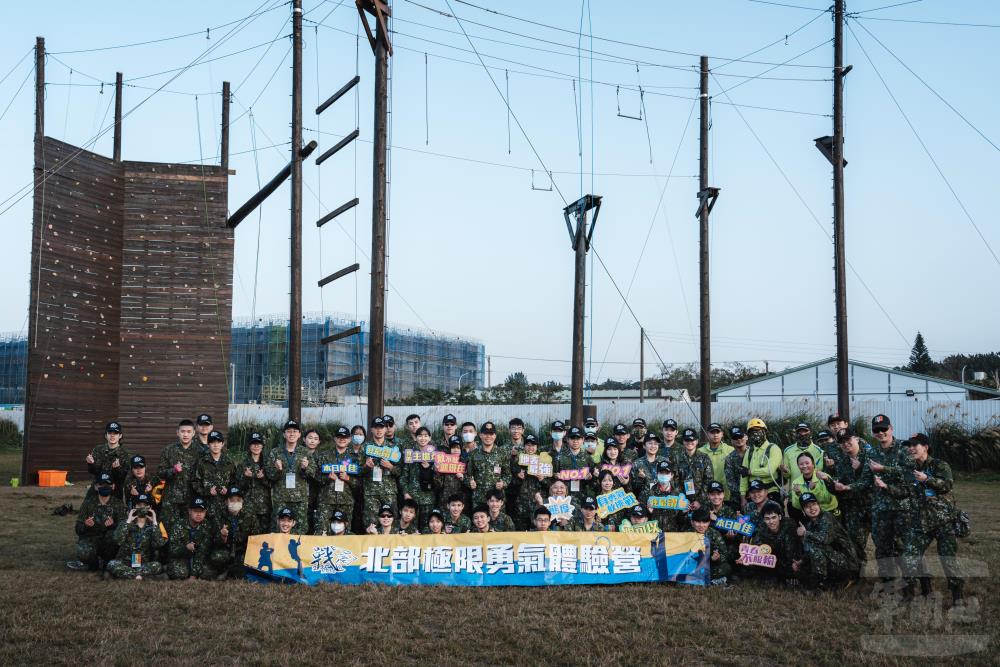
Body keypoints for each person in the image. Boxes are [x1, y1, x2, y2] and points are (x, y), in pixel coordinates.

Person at [901, 433, 964, 603]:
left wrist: (927, 479)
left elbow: (947, 485)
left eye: (916, 445)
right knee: (909, 556)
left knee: (948, 560)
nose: (911, 448)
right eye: (910, 445)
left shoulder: (939, 465)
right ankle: (913, 591)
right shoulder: (910, 468)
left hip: (943, 521)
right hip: (921, 522)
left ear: (926, 447)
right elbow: (907, 491)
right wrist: (886, 487)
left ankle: (958, 597)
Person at [865, 414, 915, 586]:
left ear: (891, 429)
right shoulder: (872, 452)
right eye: (876, 430)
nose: (881, 433)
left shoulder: (904, 448)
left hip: (902, 507)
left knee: (904, 547)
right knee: (882, 547)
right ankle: (887, 582)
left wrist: (884, 469)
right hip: (881, 508)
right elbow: (867, 477)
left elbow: (910, 473)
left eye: (884, 429)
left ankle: (909, 583)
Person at [794, 492, 860, 590]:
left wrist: (806, 534)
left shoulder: (827, 517)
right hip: (832, 557)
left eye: (814, 504)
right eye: (807, 507)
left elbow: (825, 539)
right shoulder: (809, 524)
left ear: (819, 505)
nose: (812, 508)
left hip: (846, 561)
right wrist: (801, 561)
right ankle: (829, 581)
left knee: (816, 549)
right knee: (802, 568)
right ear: (803, 511)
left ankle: (820, 583)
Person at [830, 428, 873, 566]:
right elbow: (840, 481)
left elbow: (869, 481)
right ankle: (859, 573)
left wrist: (860, 468)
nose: (845, 444)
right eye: (842, 442)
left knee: (887, 542)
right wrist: (831, 482)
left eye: (848, 440)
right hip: (854, 508)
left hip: (874, 505)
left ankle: (897, 576)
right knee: (855, 542)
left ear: (857, 439)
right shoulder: (842, 461)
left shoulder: (870, 455)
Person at [70, 473, 126, 572]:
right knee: (82, 551)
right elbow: (78, 529)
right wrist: (86, 525)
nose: (105, 487)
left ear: (113, 486)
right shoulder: (88, 504)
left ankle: (108, 562)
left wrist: (113, 525)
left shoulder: (119, 504)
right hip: (92, 539)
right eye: (101, 485)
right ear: (96, 487)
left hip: (109, 542)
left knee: (116, 539)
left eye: (107, 485)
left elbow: (124, 527)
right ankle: (94, 564)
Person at [265, 420, 315, 531]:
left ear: (299, 434)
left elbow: (312, 474)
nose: (291, 434)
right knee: (278, 528)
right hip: (281, 498)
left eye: (295, 431)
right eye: (288, 431)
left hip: (300, 499)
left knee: (301, 528)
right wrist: (277, 470)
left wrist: (305, 468)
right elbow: (269, 475)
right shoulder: (275, 452)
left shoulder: (305, 452)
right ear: (284, 434)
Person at [313, 426, 361, 536]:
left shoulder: (355, 458)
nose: (342, 439)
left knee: (345, 533)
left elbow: (361, 483)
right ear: (335, 439)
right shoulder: (323, 456)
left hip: (346, 501)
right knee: (322, 532)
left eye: (345, 437)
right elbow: (315, 477)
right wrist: (327, 478)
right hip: (326, 501)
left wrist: (348, 478)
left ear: (349, 439)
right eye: (339, 437)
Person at [106, 494, 165, 580]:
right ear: (134, 507)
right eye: (139, 505)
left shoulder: (154, 525)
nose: (142, 508)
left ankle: (128, 575)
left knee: (158, 566)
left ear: (150, 507)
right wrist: (128, 522)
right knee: (112, 564)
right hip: (126, 562)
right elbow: (117, 541)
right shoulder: (125, 523)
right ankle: (139, 576)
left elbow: (159, 544)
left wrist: (155, 522)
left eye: (145, 505)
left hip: (144, 563)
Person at [156, 419, 201, 530]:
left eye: (189, 431)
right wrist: (173, 470)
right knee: (167, 530)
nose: (185, 434)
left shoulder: (200, 452)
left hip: (191, 499)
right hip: (171, 499)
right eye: (183, 431)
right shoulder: (168, 450)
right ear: (177, 432)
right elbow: (160, 473)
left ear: (194, 433)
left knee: (189, 529)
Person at [360, 416, 401, 527]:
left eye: (381, 427)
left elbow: (401, 471)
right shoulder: (364, 447)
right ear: (371, 429)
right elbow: (358, 471)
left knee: (392, 523)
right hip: (371, 492)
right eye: (376, 427)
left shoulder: (394, 448)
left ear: (385, 429)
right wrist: (366, 466)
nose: (379, 430)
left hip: (389, 492)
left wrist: (391, 467)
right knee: (371, 524)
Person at [747, 501, 800, 586]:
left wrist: (793, 570)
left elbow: (793, 549)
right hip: (774, 559)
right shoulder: (762, 529)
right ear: (764, 520)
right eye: (767, 518)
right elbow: (757, 549)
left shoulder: (789, 524)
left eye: (773, 517)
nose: (771, 522)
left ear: (779, 517)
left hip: (791, 559)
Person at [210, 486, 258, 579]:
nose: (235, 502)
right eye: (232, 500)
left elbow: (255, 538)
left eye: (238, 500)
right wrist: (223, 537)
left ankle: (232, 571)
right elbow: (214, 541)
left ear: (242, 502)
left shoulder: (250, 517)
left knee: (245, 568)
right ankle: (226, 569)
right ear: (226, 502)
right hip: (226, 551)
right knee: (216, 557)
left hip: (242, 552)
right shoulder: (219, 516)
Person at [166, 497, 217, 580]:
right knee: (179, 572)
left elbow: (203, 551)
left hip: (199, 559)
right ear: (189, 511)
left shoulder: (206, 526)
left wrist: (193, 575)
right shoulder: (178, 525)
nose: (199, 514)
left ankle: (194, 574)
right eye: (196, 511)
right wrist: (185, 548)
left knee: (209, 572)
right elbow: (172, 549)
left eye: (202, 511)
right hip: (182, 558)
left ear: (205, 512)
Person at [466, 421, 511, 507]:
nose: (488, 436)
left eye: (491, 434)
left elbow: (508, 475)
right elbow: (467, 474)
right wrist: (469, 482)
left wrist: (503, 483)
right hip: (479, 499)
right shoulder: (473, 454)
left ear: (495, 436)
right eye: (485, 434)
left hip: (496, 500)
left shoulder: (502, 453)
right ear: (480, 435)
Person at [193, 430, 236, 521]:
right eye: (212, 442)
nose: (215, 445)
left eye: (218, 442)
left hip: (225, 508)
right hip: (208, 507)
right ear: (208, 445)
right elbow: (195, 483)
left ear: (222, 444)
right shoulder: (202, 462)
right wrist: (207, 491)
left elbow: (235, 482)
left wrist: (228, 491)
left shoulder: (229, 462)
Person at [739, 418, 782, 504]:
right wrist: (743, 497)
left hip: (771, 492)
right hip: (753, 494)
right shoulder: (749, 451)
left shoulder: (773, 449)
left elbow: (769, 471)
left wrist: (750, 472)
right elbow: (743, 475)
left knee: (772, 516)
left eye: (758, 430)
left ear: (765, 431)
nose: (755, 433)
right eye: (752, 431)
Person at [85, 421, 131, 501]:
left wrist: (117, 469)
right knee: (86, 510)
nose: (112, 435)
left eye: (115, 433)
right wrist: (91, 464)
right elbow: (93, 471)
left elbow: (123, 477)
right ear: (106, 435)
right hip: (98, 487)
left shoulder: (124, 454)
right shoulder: (98, 450)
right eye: (110, 433)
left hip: (114, 489)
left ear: (120, 436)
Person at [402, 426, 437, 528]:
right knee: (411, 528)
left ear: (430, 438)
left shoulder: (435, 455)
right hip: (412, 498)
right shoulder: (410, 454)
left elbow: (439, 477)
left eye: (426, 436)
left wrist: (429, 468)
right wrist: (406, 492)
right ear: (416, 437)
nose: (423, 438)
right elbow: (403, 476)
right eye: (420, 436)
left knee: (427, 527)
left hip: (428, 498)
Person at [788, 451, 838, 522]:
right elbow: (797, 506)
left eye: (807, 463)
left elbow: (828, 499)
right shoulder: (796, 482)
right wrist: (798, 494)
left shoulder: (823, 476)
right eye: (801, 464)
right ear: (798, 466)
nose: (804, 466)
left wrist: (814, 489)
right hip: (811, 516)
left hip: (829, 512)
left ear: (813, 464)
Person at [510, 434, 547, 529]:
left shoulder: (543, 461)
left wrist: (543, 479)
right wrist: (518, 478)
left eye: (533, 445)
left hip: (537, 503)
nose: (530, 448)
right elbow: (510, 483)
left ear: (537, 447)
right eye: (528, 445)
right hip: (520, 504)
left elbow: (551, 485)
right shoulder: (516, 461)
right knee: (521, 533)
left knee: (537, 533)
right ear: (524, 446)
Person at [237, 432, 271, 534]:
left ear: (262, 446)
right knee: (249, 536)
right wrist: (246, 478)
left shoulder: (268, 463)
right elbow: (238, 487)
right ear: (249, 446)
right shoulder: (243, 464)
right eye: (253, 444)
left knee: (264, 536)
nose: (256, 446)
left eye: (258, 444)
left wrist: (263, 478)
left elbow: (273, 484)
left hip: (264, 508)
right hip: (248, 508)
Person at [673, 428, 714, 511]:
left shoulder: (704, 458)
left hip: (701, 503)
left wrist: (699, 501)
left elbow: (708, 481)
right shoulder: (676, 458)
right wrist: (683, 500)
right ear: (683, 441)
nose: (689, 442)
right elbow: (674, 480)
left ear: (697, 441)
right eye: (687, 440)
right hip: (681, 502)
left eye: (692, 440)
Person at [689, 507, 732, 586]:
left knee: (726, 567)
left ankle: (700, 579)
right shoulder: (686, 534)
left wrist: (717, 558)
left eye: (705, 522)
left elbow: (724, 555)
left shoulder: (714, 534)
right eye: (698, 522)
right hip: (692, 566)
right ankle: (709, 580)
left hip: (709, 566)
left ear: (709, 522)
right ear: (692, 522)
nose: (701, 525)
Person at [781, 423, 825, 494]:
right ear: (795, 434)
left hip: (814, 492)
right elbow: (787, 476)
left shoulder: (819, 451)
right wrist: (785, 471)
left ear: (811, 432)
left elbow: (820, 472)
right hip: (795, 491)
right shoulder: (788, 451)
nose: (802, 434)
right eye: (799, 432)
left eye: (805, 431)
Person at [554, 426, 592, 502]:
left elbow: (594, 480)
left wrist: (590, 477)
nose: (575, 441)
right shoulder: (559, 457)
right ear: (567, 440)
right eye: (572, 438)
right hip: (563, 498)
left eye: (578, 438)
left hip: (582, 498)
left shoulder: (588, 458)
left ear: (583, 440)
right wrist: (555, 476)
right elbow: (552, 477)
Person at [641, 461, 682, 532]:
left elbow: (681, 518)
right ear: (657, 474)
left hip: (672, 533)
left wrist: (684, 513)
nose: (664, 475)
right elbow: (641, 512)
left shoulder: (678, 493)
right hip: (653, 532)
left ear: (672, 475)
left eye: (667, 473)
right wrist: (649, 511)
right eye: (661, 473)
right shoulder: (648, 491)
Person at [435, 435, 468, 512]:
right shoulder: (443, 462)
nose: (455, 450)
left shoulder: (466, 462)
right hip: (445, 499)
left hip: (461, 500)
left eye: (458, 448)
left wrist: (463, 478)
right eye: (453, 448)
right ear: (449, 449)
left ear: (461, 449)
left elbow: (470, 482)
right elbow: (438, 484)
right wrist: (437, 471)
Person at [699, 423, 733, 497]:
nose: (715, 435)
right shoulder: (699, 452)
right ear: (707, 434)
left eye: (718, 432)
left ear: (722, 434)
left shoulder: (731, 450)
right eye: (712, 432)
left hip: (727, 495)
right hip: (706, 495)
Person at [301, 428, 325, 532]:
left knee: (315, 525)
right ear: (304, 439)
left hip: (317, 496)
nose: (312, 441)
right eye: (310, 438)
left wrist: (308, 470)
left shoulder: (322, 456)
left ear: (319, 442)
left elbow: (322, 477)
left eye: (315, 439)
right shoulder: (298, 454)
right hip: (300, 495)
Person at [631, 432, 664, 498]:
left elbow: (671, 484)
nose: (653, 446)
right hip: (643, 502)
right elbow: (633, 487)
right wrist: (640, 479)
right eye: (650, 443)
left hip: (662, 502)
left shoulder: (664, 462)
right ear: (644, 446)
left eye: (655, 444)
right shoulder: (636, 463)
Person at [723, 426, 748, 509]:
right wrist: (743, 495)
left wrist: (752, 493)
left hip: (756, 495)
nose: (738, 440)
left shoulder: (754, 454)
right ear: (731, 441)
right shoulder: (729, 458)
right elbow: (730, 482)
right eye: (735, 438)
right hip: (737, 499)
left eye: (740, 437)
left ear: (746, 437)